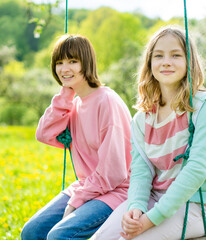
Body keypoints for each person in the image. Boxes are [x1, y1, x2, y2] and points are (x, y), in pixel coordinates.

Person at [91, 26, 206, 240]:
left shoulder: (204, 106)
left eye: (176, 55)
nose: (166, 61)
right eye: (158, 56)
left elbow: (198, 168)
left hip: (197, 205)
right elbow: (141, 170)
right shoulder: (143, 118)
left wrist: (151, 219)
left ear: (189, 62)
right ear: (150, 63)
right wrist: (136, 207)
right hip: (153, 198)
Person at [21, 34, 132, 240]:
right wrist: (66, 93)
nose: (65, 68)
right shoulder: (75, 103)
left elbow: (114, 173)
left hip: (117, 192)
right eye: (59, 63)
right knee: (32, 231)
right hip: (88, 187)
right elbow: (44, 134)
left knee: (60, 236)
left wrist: (75, 202)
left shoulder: (107, 101)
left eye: (73, 61)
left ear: (87, 63)